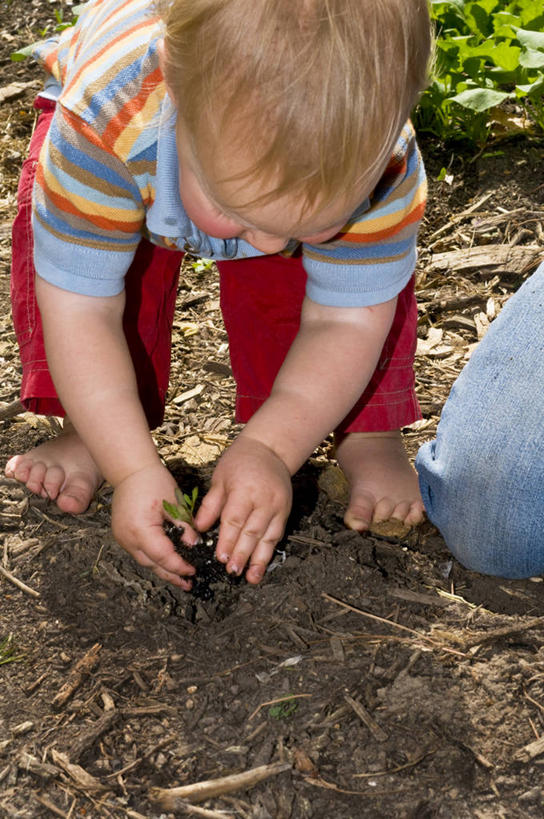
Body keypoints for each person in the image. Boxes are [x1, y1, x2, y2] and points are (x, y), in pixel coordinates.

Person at [4, 0, 431, 588]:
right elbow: (82, 310)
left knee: (348, 283)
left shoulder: (379, 164)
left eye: (310, 226)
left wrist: (272, 448)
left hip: (218, 159)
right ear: (176, 87)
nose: (271, 241)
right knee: (97, 278)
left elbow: (347, 321)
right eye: (237, 210)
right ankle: (88, 427)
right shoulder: (100, 128)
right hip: (124, 152)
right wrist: (131, 471)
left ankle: (367, 426)